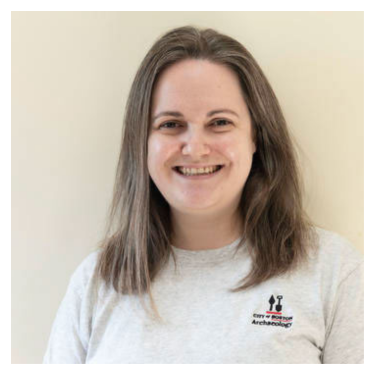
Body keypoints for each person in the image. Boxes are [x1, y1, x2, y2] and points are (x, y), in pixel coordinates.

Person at [43, 25, 363, 364]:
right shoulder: (95, 282)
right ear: (143, 144)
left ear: (256, 137)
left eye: (220, 122)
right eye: (170, 124)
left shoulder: (333, 272)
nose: (195, 148)